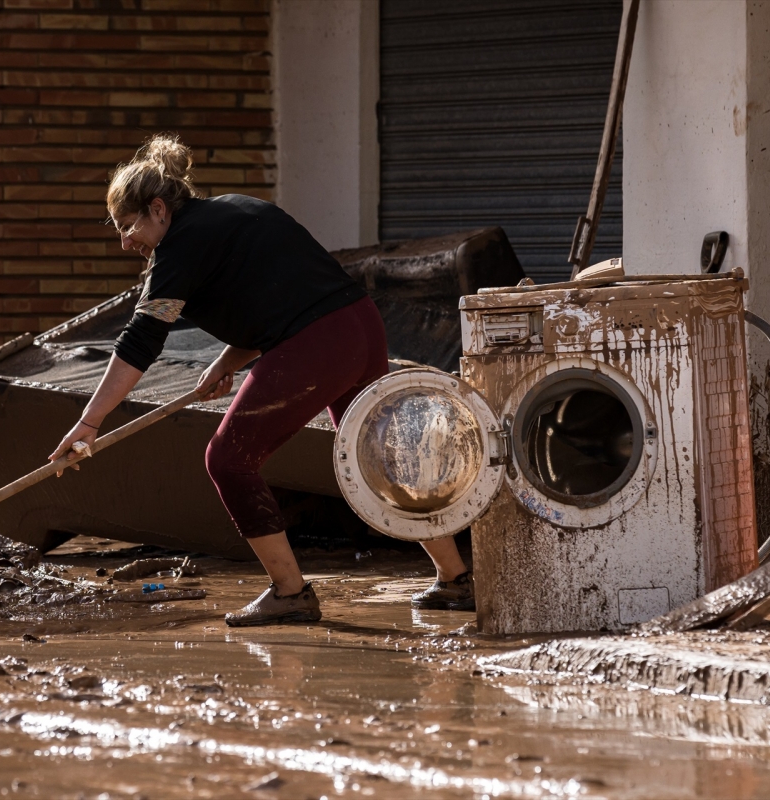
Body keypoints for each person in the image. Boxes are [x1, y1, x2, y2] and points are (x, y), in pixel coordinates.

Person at [49, 133, 472, 625]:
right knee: (377, 454)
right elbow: (280, 297)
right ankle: (455, 578)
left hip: (319, 343)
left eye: (127, 227)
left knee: (228, 460)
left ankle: (289, 592)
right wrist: (228, 361)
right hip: (359, 326)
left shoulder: (178, 249)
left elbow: (141, 341)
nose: (126, 243)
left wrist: (89, 422)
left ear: (159, 210)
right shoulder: (240, 209)